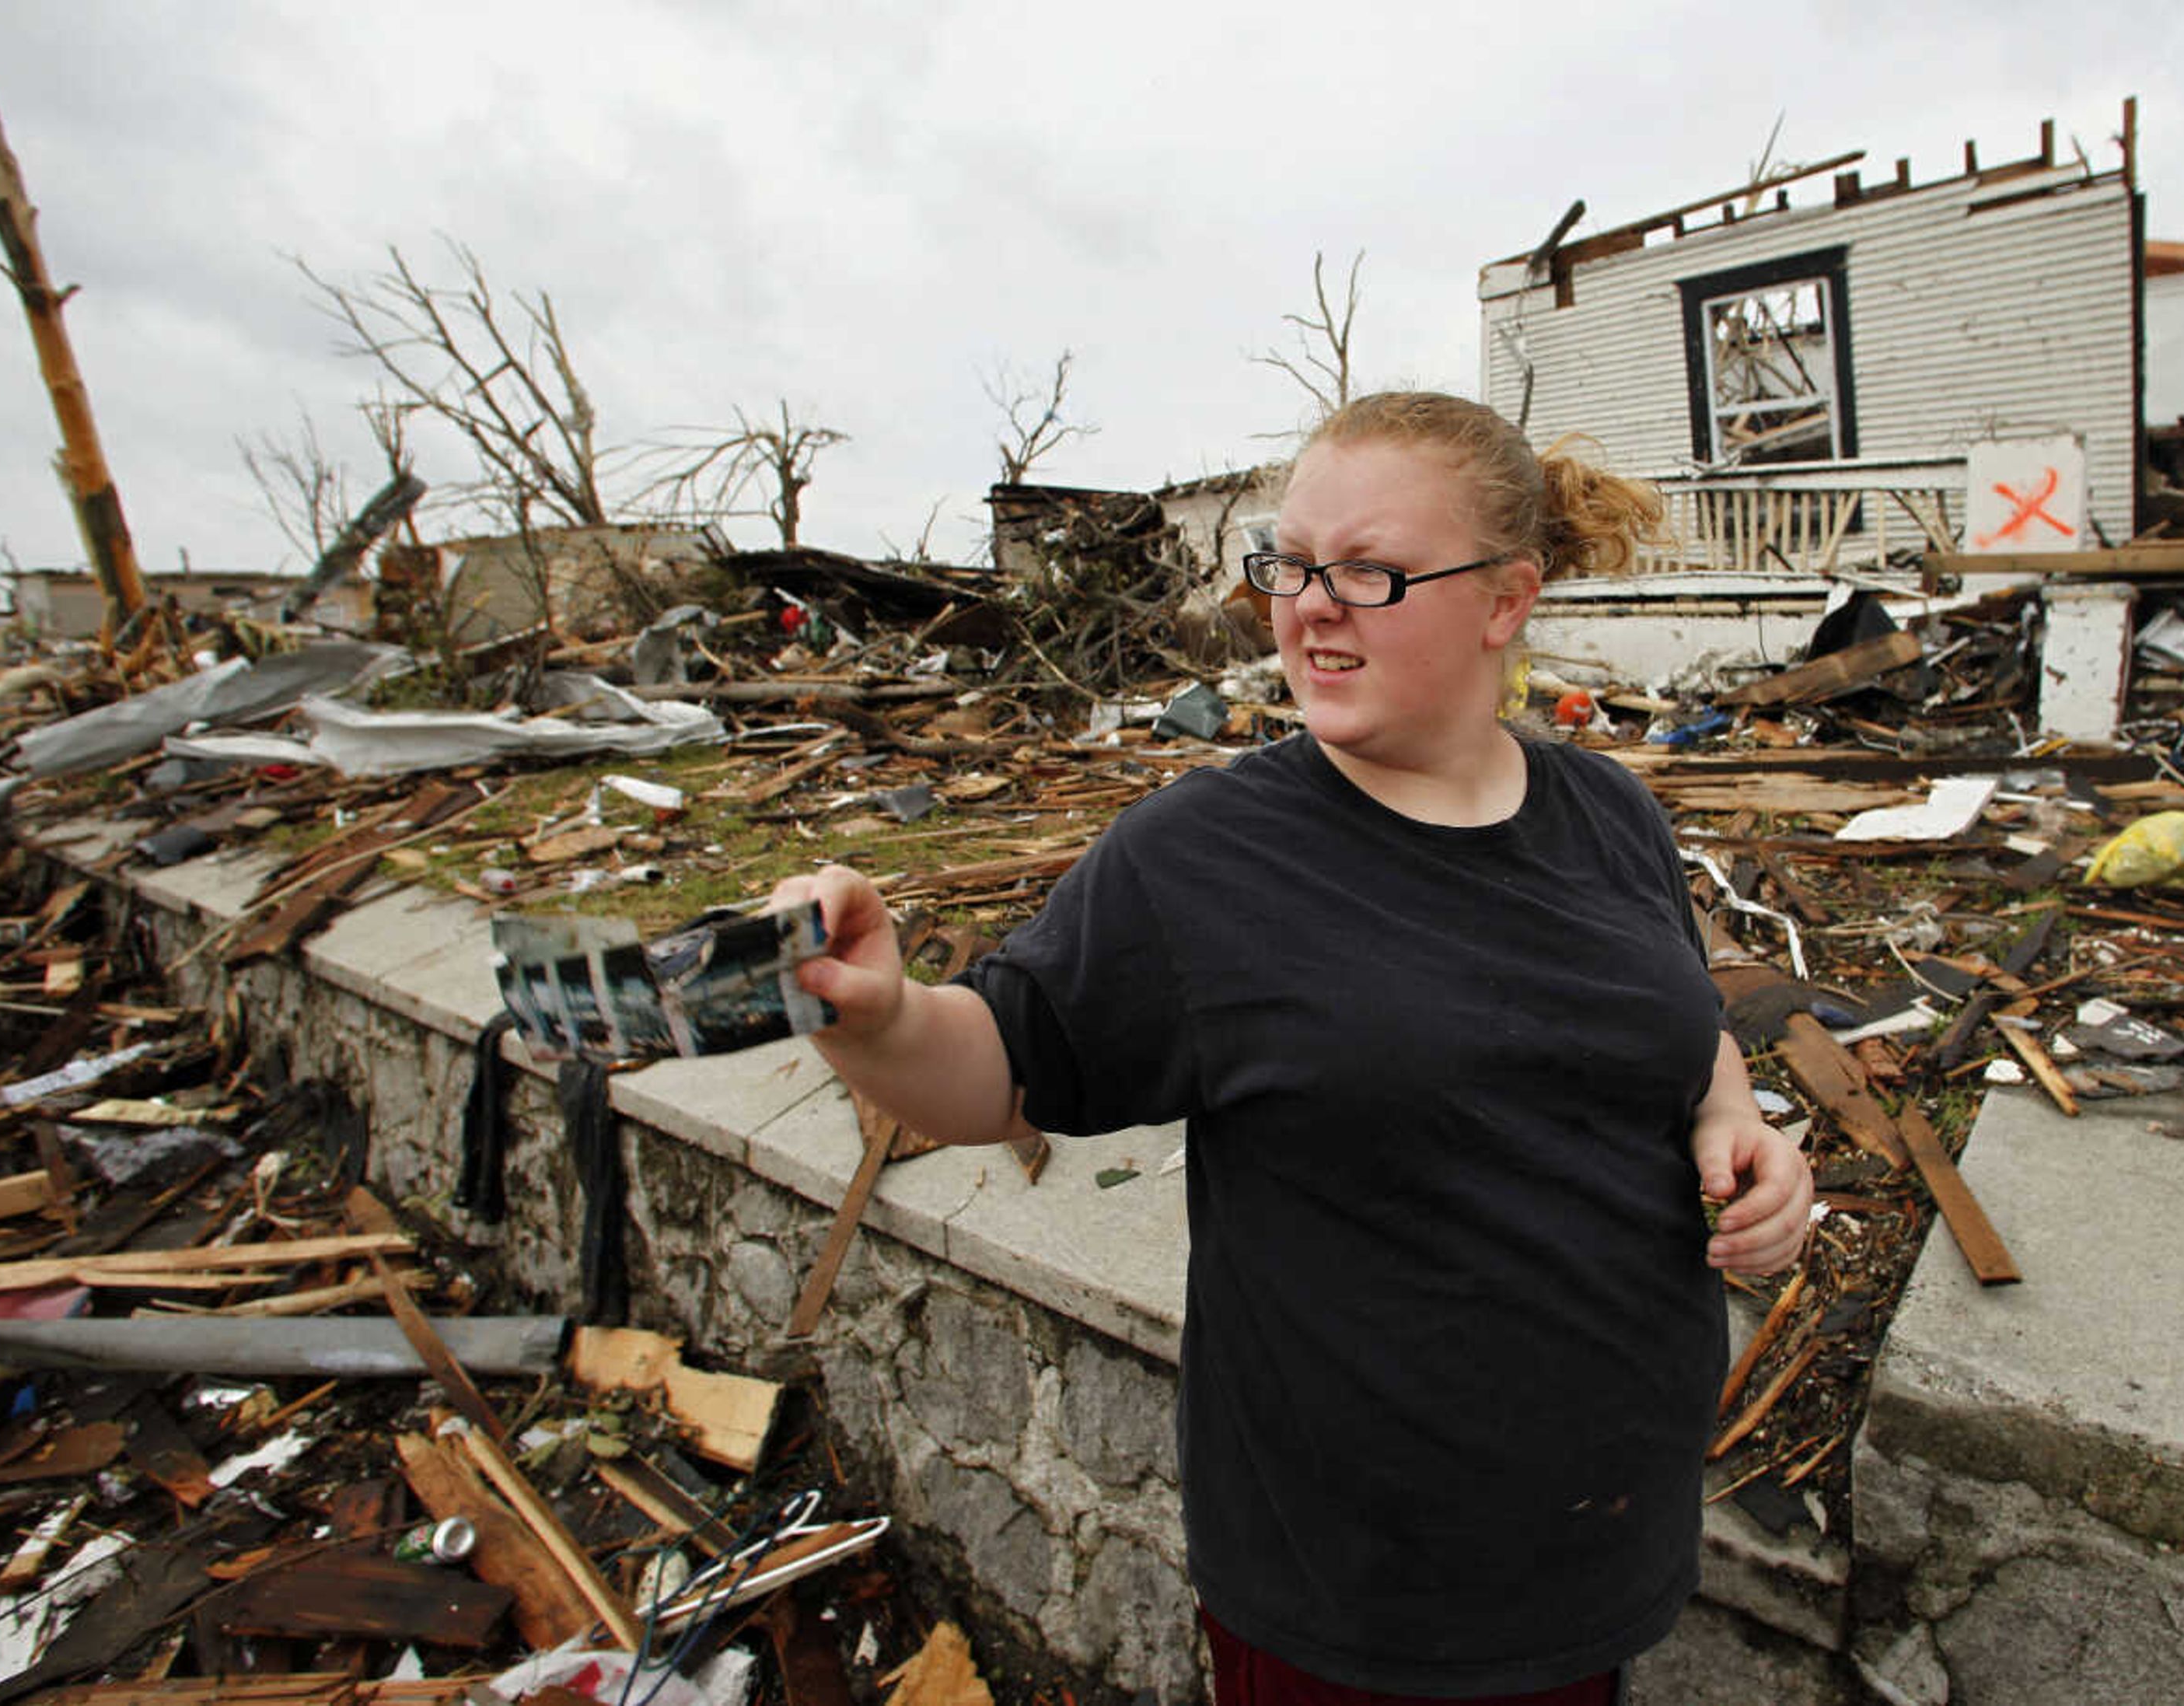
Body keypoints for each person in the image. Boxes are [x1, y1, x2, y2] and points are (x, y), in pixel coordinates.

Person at [771, 391, 1813, 1703]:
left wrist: (1735, 1122)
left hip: (1595, 1548)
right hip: (1359, 1601)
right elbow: (998, 1066)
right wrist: (877, 1013)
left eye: (1368, 570)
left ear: (1506, 600)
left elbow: (1679, 1018)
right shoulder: (1204, 861)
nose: (1311, 604)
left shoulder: (1608, 813)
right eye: (1290, 562)